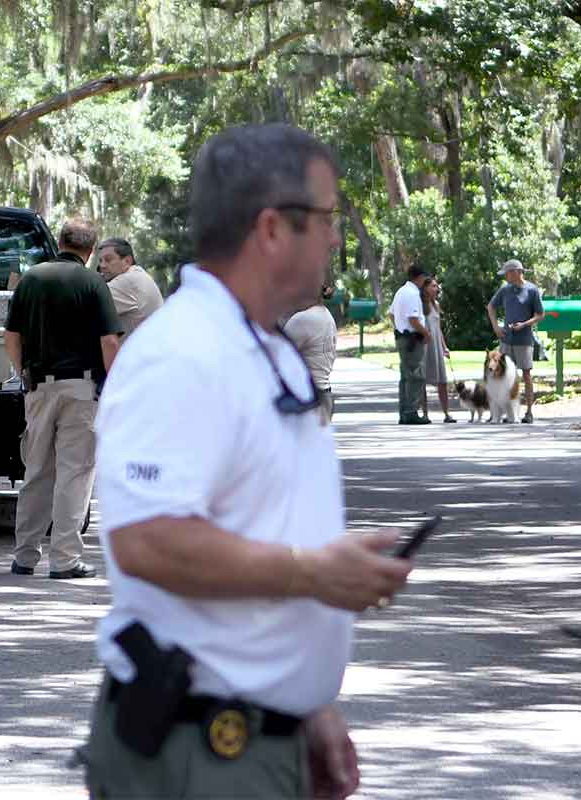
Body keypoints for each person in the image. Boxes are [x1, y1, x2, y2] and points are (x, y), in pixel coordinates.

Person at [73, 123, 414, 800]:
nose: (337, 237)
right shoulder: (181, 354)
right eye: (326, 218)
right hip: (198, 752)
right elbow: (147, 541)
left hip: (252, 741)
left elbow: (264, 523)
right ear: (271, 228)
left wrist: (306, 707)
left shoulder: (266, 350)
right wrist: (314, 573)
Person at [3, 219, 123, 580]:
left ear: (60, 242)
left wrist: (23, 371)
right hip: (81, 389)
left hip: (39, 386)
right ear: (90, 251)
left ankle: (24, 555)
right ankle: (65, 559)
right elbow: (109, 342)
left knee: (36, 470)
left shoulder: (32, 278)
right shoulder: (93, 283)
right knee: (76, 471)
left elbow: (11, 335)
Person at [486, 259, 543, 423]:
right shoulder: (505, 290)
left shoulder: (532, 290)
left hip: (524, 340)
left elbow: (540, 314)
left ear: (516, 272)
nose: (505, 277)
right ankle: (503, 412)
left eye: (507, 274)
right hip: (506, 339)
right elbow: (491, 307)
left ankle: (529, 412)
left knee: (526, 374)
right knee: (502, 375)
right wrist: (496, 327)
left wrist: (524, 324)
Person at [284, 284, 339, 423]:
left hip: (307, 398)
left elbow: (277, 356)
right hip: (325, 394)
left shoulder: (302, 319)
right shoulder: (327, 316)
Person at [96, 237, 164, 336]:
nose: (102, 265)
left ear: (127, 261)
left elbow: (82, 306)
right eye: (100, 261)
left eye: (108, 260)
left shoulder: (127, 281)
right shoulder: (137, 274)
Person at [390, 263, 431, 425]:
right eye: (424, 278)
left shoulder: (401, 291)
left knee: (405, 377)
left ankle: (404, 412)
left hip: (402, 337)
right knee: (416, 376)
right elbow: (413, 319)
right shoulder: (413, 294)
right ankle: (411, 411)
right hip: (413, 339)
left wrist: (399, 328)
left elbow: (391, 314)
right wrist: (425, 333)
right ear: (419, 277)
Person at [420, 277, 455, 423]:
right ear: (426, 288)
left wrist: (444, 346)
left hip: (436, 346)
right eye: (433, 286)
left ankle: (446, 413)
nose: (436, 289)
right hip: (425, 346)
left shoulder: (436, 305)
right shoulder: (421, 305)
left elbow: (438, 329)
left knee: (442, 381)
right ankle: (425, 413)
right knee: (422, 381)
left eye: (436, 286)